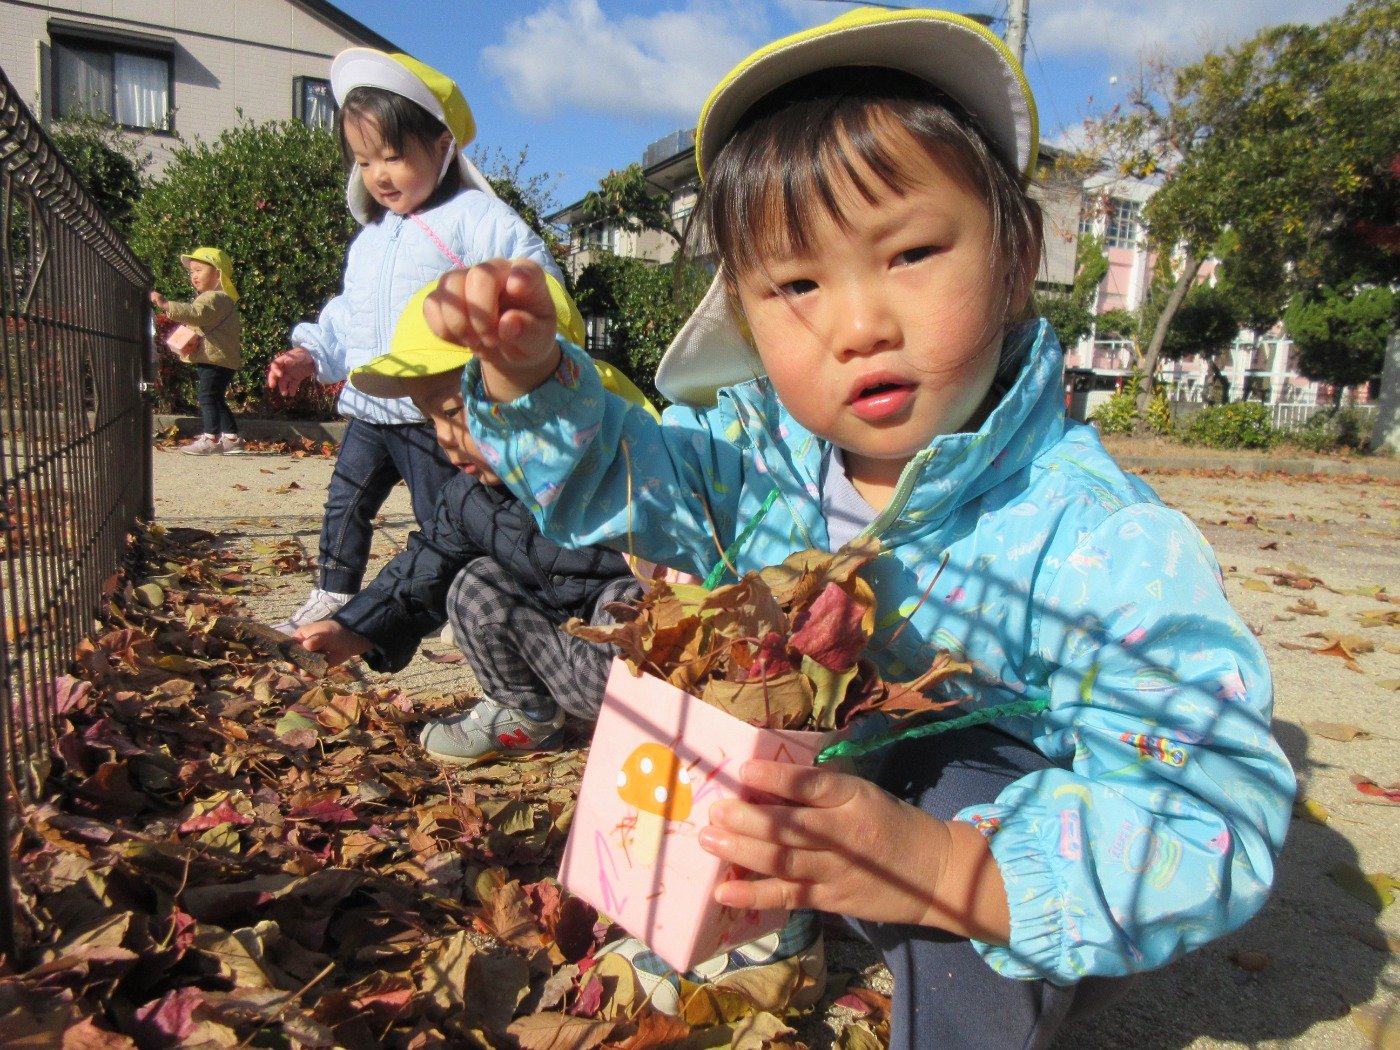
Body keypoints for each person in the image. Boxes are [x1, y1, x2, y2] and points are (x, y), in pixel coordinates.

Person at [418, 9, 1295, 1047]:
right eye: (796, 284)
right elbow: (620, 482)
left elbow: (1210, 808)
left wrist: (940, 868)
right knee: (698, 671)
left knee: (959, 776)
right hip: (830, 795)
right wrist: (525, 378)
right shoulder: (757, 460)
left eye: (911, 252)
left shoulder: (1090, 538)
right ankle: (742, 940)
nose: (858, 324)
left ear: (1016, 260)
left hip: (1012, 880)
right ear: (744, 315)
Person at [265, 47, 582, 634]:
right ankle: (332, 590)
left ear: (442, 147)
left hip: (434, 410)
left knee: (442, 513)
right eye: (364, 161)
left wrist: (523, 327)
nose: (379, 176)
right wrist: (312, 352)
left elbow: (532, 274)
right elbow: (351, 314)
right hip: (370, 405)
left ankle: (451, 599)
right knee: (346, 501)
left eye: (393, 156)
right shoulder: (371, 237)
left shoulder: (472, 217)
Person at [292, 283, 653, 762]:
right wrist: (354, 628)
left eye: (455, 411)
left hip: (623, 651)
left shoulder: (622, 462)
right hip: (557, 634)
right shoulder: (469, 495)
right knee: (472, 583)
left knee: (630, 602)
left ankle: (647, 721)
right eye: (430, 421)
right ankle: (526, 713)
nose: (445, 439)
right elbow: (425, 568)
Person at [151, 247, 243, 456]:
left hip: (214, 359)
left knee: (207, 397)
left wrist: (165, 304)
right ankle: (231, 438)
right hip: (222, 359)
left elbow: (195, 313)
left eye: (199, 270)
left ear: (218, 273)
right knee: (216, 397)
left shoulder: (213, 298)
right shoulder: (224, 299)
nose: (194, 275)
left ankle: (211, 439)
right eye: (192, 271)